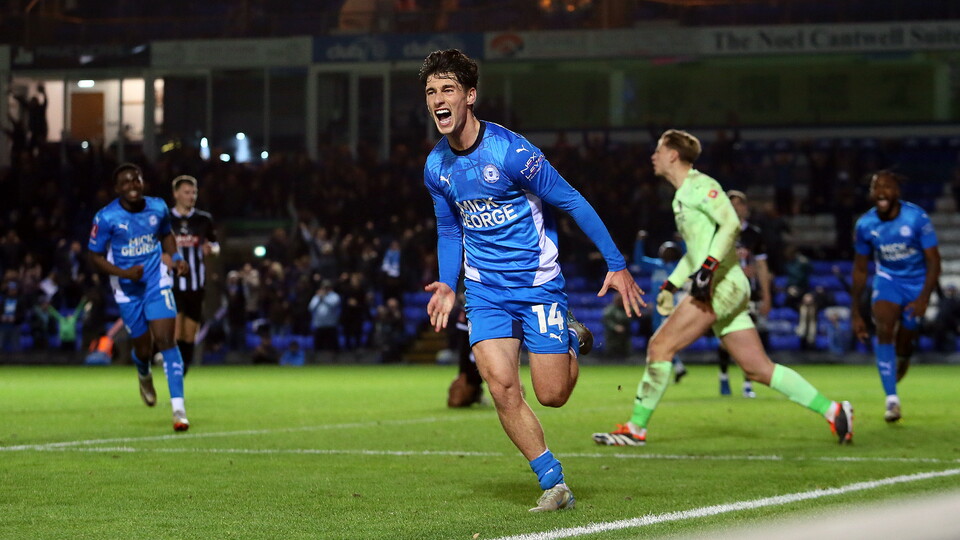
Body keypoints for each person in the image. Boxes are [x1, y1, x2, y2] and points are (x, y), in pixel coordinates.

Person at [419, 49, 645, 512]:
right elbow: (448, 229)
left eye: (447, 89)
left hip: (537, 284)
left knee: (552, 395)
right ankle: (554, 482)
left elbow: (574, 201)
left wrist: (616, 262)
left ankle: (567, 338)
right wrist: (447, 282)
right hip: (484, 290)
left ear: (469, 96)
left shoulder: (512, 152)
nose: (437, 99)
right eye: (430, 91)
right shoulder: (436, 167)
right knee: (501, 385)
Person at [592, 129, 853, 448]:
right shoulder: (681, 195)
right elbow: (696, 251)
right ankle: (835, 411)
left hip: (720, 285)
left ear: (673, 154)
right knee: (759, 369)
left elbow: (730, 224)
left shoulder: (701, 186)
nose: (653, 156)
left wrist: (708, 269)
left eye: (658, 150)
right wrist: (672, 284)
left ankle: (636, 428)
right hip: (724, 284)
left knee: (660, 347)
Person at [87, 163, 191, 431]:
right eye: (125, 182)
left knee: (167, 340)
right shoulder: (106, 217)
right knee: (143, 350)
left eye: (136, 180)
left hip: (157, 282)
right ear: (117, 188)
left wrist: (176, 258)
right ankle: (143, 375)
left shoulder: (157, 207)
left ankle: (178, 410)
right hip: (127, 289)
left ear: (142, 182)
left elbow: (166, 235)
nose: (132, 185)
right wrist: (124, 272)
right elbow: (94, 257)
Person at [851, 170, 941, 423]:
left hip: (917, 283)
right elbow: (859, 269)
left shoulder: (916, 218)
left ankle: (904, 355)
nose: (881, 192)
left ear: (897, 192)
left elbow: (934, 261)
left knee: (905, 338)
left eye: (887, 187)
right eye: (875, 187)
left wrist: (924, 297)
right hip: (888, 280)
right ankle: (892, 400)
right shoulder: (865, 225)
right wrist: (855, 311)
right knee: (884, 327)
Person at [717, 190, 773, 398]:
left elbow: (761, 266)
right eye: (731, 204)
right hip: (725, 293)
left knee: (750, 338)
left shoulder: (754, 235)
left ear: (745, 208)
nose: (735, 208)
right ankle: (723, 376)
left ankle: (747, 383)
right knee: (726, 339)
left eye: (739, 204)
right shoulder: (720, 232)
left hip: (749, 294)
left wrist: (766, 296)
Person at [168, 175, 219, 374]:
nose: (192, 196)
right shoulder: (166, 220)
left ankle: (183, 369)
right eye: (187, 192)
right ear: (176, 194)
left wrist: (212, 250)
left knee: (190, 335)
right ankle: (171, 366)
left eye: (194, 192)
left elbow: (215, 245)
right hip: (172, 284)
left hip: (196, 286)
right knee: (176, 329)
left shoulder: (203, 219)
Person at [632, 230, 686, 381]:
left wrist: (682, 242)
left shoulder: (679, 266)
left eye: (667, 249)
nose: (663, 251)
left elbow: (689, 258)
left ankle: (668, 366)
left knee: (661, 337)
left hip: (671, 307)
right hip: (657, 308)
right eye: (662, 249)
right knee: (659, 337)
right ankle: (676, 365)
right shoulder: (656, 265)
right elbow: (639, 260)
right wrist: (639, 242)